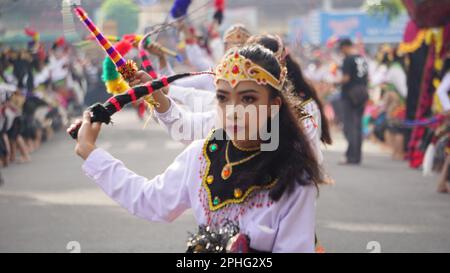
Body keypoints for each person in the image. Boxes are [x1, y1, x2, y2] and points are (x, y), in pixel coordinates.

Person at [69, 44, 322, 252]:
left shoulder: (295, 175)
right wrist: (91, 153)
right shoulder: (201, 156)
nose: (233, 112)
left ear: (274, 105)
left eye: (248, 99)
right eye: (223, 98)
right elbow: (149, 200)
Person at [338, 38, 369, 165]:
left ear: (345, 47)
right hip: (362, 93)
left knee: (349, 126)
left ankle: (351, 156)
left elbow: (346, 78)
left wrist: (334, 83)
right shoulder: (362, 59)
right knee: (358, 125)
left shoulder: (348, 59)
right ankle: (356, 156)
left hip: (350, 95)